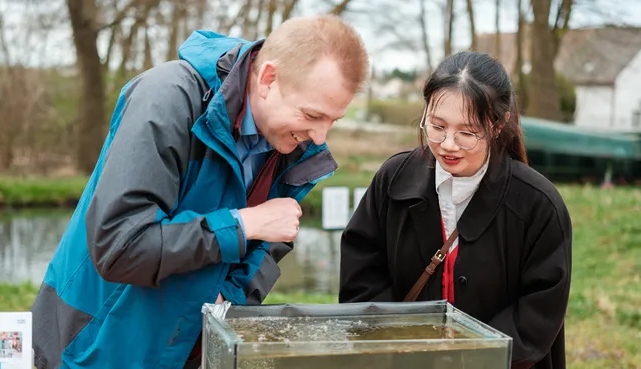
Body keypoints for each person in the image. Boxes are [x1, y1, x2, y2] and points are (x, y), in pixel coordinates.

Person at [31, 15, 369, 369]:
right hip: (92, 347)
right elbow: (119, 247)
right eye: (312, 115)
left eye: (333, 120)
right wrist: (241, 225)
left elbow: (269, 245)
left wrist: (230, 298)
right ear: (269, 78)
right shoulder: (167, 98)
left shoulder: (291, 144)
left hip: (185, 351)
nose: (320, 137)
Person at [339, 51, 572, 369]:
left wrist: (467, 356)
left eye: (466, 132)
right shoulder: (393, 180)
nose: (448, 144)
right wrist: (401, 343)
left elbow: (539, 312)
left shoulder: (538, 204)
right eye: (436, 126)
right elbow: (361, 280)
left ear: (499, 124)